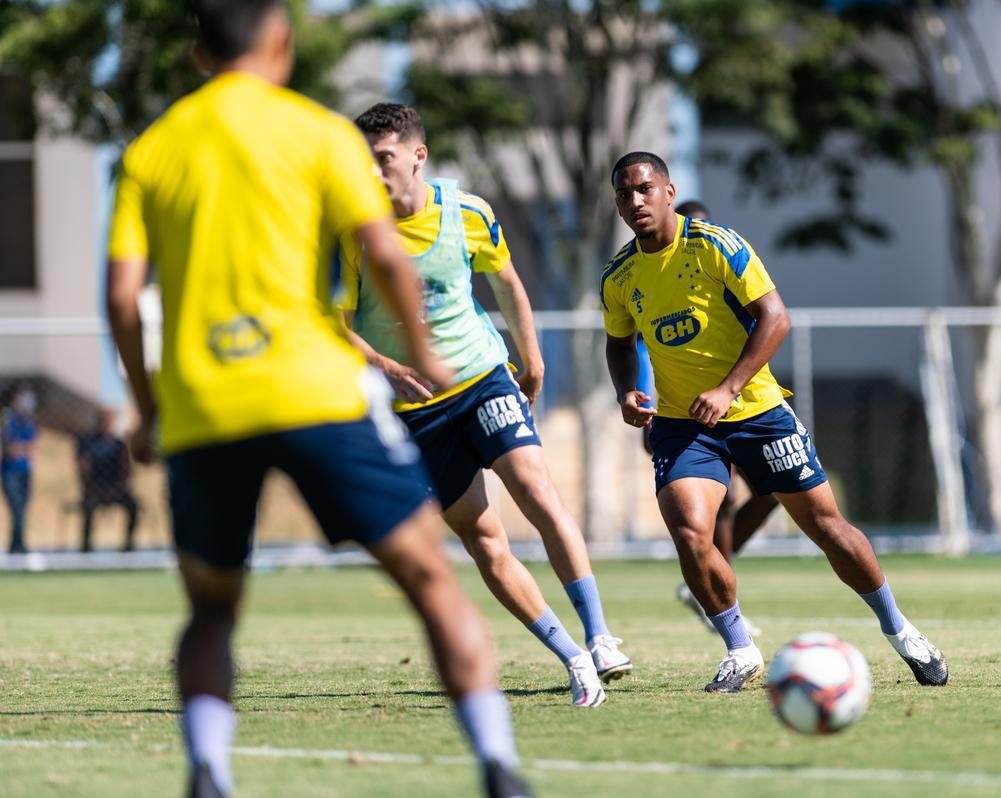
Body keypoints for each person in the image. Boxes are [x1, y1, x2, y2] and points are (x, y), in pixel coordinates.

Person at [105, 3, 532, 797]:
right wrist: (430, 353)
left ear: (199, 53)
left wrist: (147, 408)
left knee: (211, 610)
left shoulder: (152, 150)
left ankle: (208, 770)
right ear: (280, 41)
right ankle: (498, 766)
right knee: (431, 579)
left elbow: (123, 299)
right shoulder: (319, 136)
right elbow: (385, 254)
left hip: (206, 405)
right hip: (317, 395)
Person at [602, 151, 949, 693]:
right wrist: (627, 391)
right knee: (691, 532)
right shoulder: (620, 276)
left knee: (828, 529)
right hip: (682, 421)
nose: (635, 201)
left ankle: (901, 630)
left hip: (758, 411)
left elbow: (776, 317)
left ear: (668, 191)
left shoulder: (717, 245)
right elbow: (618, 343)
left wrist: (727, 388)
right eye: (624, 193)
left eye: (645, 188)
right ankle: (740, 650)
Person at [338, 103, 630, 708]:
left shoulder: (466, 212)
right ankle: (572, 657)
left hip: (481, 377)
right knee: (485, 539)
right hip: (415, 412)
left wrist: (533, 359)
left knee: (535, 489)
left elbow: (508, 283)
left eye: (382, 157)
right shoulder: (350, 229)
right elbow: (334, 324)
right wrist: (388, 368)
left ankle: (600, 636)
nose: (371, 170)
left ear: (418, 155)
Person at [660, 200, 778, 637]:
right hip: (687, 415)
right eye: (698, 227)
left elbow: (765, 323)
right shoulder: (660, 282)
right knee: (720, 502)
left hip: (746, 407)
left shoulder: (725, 265)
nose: (704, 235)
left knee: (771, 492)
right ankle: (723, 599)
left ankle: (713, 575)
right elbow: (635, 348)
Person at [76, 407, 140, 553]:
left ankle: (128, 545)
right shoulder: (88, 443)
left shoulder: (119, 444)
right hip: (95, 489)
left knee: (133, 505)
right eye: (104, 420)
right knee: (89, 506)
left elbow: (126, 470)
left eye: (110, 421)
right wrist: (94, 488)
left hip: (116, 488)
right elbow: (83, 470)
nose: (107, 424)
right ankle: (86, 546)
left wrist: (119, 488)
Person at [1, 385, 37, 555]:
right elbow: (8, 448)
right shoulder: (6, 419)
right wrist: (14, 448)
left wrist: (18, 448)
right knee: (16, 508)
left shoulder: (28, 420)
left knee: (22, 509)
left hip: (25, 470)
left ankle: (18, 545)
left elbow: (30, 445)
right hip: (9, 471)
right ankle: (17, 547)